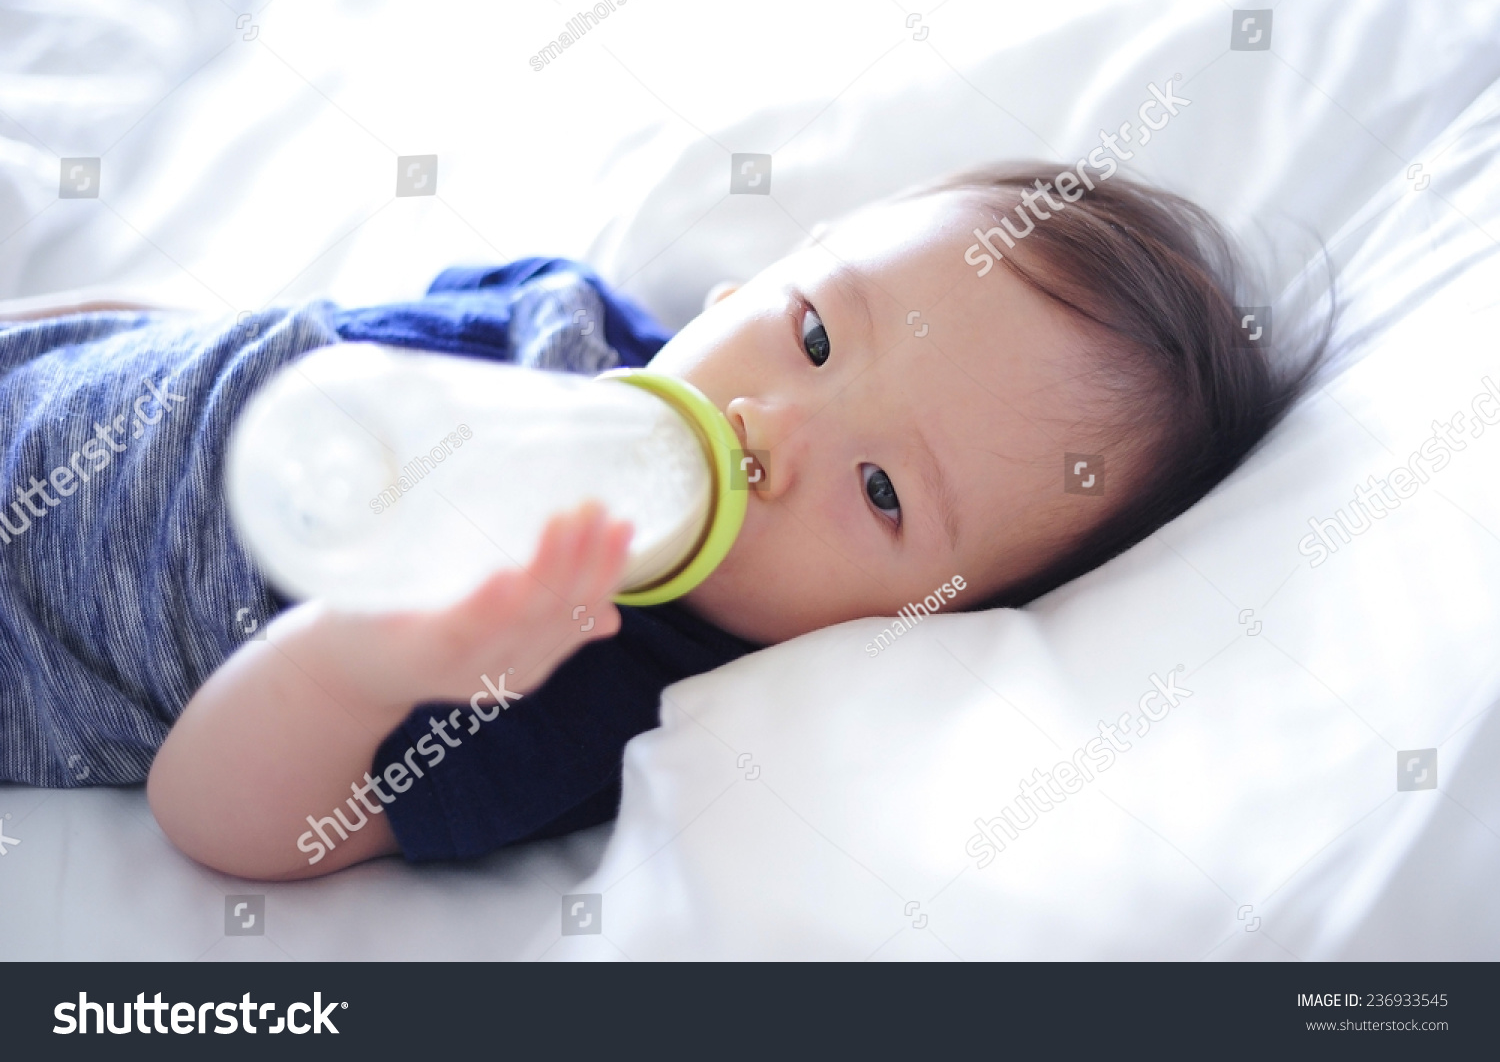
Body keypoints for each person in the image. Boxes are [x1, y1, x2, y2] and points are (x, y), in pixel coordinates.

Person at [0, 164, 1327, 878]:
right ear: (769, 270)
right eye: (813, 330)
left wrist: (363, 663)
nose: (776, 432)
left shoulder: (576, 678)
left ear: (927, 624)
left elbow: (219, 819)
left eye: (882, 493)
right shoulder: (580, 317)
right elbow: (277, 348)